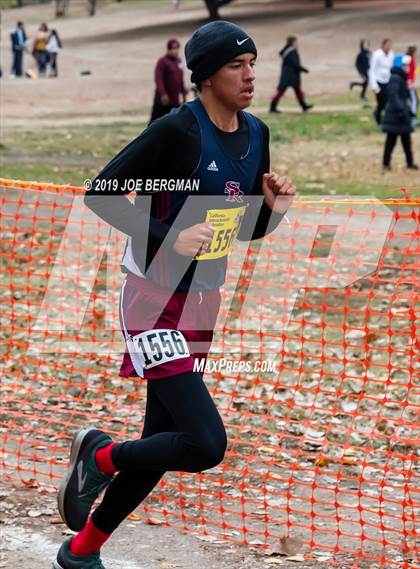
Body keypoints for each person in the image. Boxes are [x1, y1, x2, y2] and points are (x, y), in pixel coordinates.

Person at [53, 20, 295, 569]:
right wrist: (167, 235)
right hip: (153, 300)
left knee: (162, 441)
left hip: (202, 303)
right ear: (206, 77)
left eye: (253, 63)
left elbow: (241, 228)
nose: (250, 74)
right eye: (237, 65)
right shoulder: (176, 130)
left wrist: (272, 214)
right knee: (205, 444)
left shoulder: (255, 133)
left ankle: (81, 551)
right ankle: (99, 454)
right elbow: (101, 194)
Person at [382, 55, 417, 171]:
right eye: (405, 65)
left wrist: (408, 112)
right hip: (395, 115)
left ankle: (410, 163)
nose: (408, 67)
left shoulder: (401, 78)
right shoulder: (395, 78)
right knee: (391, 141)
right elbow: (394, 96)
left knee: (406, 140)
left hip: (400, 114)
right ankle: (386, 164)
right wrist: (402, 110)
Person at [269, 35, 313, 113]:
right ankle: (272, 107)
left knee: (297, 91)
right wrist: (304, 69)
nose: (297, 44)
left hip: (288, 75)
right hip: (290, 76)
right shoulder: (291, 51)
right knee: (281, 91)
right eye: (296, 42)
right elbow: (295, 63)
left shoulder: (287, 51)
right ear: (293, 42)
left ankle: (304, 106)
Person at [149, 38, 188, 123]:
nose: (176, 51)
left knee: (173, 121)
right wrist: (163, 94)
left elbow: (180, 79)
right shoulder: (162, 61)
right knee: (155, 121)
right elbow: (158, 79)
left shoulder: (178, 61)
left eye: (177, 49)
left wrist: (183, 92)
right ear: (168, 49)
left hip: (175, 99)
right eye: (173, 49)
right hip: (163, 99)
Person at [369, 38, 394, 124]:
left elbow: (391, 67)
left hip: (388, 80)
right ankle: (378, 118)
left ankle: (383, 118)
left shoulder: (391, 54)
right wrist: (374, 85)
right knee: (381, 102)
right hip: (378, 81)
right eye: (387, 45)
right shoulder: (377, 55)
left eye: (390, 45)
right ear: (383, 45)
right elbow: (372, 70)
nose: (389, 47)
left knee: (387, 101)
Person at [406, 45, 418, 119]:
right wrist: (409, 82)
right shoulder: (408, 59)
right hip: (409, 82)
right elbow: (408, 71)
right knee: (414, 100)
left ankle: (411, 115)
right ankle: (412, 116)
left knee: (413, 100)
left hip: (410, 81)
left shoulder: (411, 59)